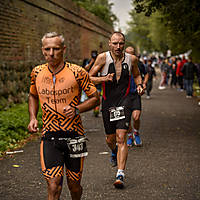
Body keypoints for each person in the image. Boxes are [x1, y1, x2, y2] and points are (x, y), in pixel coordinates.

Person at [27, 32, 99, 200]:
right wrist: (33, 117)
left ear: (63, 49)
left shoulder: (77, 72)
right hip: (50, 136)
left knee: (74, 186)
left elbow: (95, 99)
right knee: (53, 185)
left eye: (56, 49)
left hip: (74, 136)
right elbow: (33, 95)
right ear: (42, 50)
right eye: (47, 49)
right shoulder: (36, 73)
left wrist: (77, 109)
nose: (51, 53)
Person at [89, 32, 143, 189]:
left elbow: (137, 75)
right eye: (115, 43)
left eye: (121, 43)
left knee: (122, 137)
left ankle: (120, 174)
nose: (118, 46)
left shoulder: (131, 59)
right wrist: (104, 79)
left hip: (124, 101)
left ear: (124, 44)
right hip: (108, 102)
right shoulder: (102, 58)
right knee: (110, 140)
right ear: (109, 44)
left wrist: (139, 85)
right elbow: (88, 76)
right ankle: (113, 151)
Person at [125, 46, 149, 147]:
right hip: (124, 95)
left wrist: (143, 83)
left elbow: (146, 73)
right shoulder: (120, 64)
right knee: (126, 119)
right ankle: (130, 135)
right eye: (128, 54)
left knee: (136, 117)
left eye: (132, 54)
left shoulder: (139, 64)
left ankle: (136, 133)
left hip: (135, 94)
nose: (130, 56)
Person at [85, 50, 102, 117]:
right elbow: (86, 68)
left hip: (98, 81)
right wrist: (91, 62)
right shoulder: (88, 61)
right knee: (92, 97)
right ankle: (94, 107)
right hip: (90, 81)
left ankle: (96, 109)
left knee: (97, 95)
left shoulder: (99, 61)